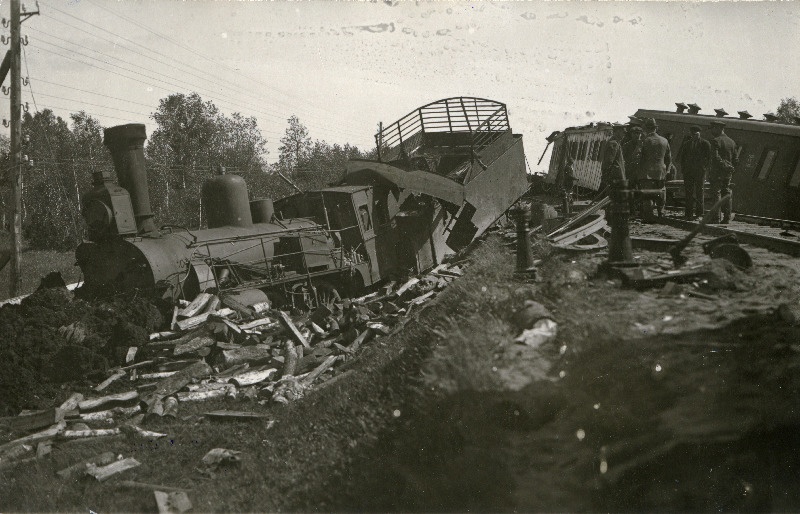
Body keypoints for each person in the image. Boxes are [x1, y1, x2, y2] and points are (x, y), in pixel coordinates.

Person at [639, 118, 672, 217]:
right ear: (655, 128)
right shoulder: (665, 141)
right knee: (661, 191)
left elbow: (639, 157)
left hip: (647, 172)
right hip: (661, 171)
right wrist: (667, 170)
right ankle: (661, 212)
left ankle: (649, 214)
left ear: (647, 129)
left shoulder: (644, 141)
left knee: (648, 193)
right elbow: (669, 158)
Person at [679, 125, 711, 219]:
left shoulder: (705, 144)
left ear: (699, 133)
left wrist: (704, 168)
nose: (694, 136)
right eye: (692, 134)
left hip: (699, 172)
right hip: (688, 172)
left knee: (699, 192)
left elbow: (709, 158)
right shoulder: (687, 144)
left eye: (696, 134)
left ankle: (699, 214)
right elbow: (683, 158)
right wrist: (683, 169)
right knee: (688, 192)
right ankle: (688, 214)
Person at [708, 120, 738, 224]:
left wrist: (724, 166)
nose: (712, 131)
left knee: (716, 193)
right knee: (727, 193)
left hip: (717, 172)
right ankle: (727, 218)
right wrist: (730, 167)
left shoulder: (715, 140)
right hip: (728, 173)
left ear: (718, 128)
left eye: (713, 128)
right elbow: (736, 159)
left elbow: (715, 157)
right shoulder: (732, 142)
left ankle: (716, 218)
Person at [600, 123, 627, 194]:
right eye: (623, 132)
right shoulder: (613, 143)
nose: (625, 134)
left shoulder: (616, 143)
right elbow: (608, 162)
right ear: (618, 131)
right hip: (616, 179)